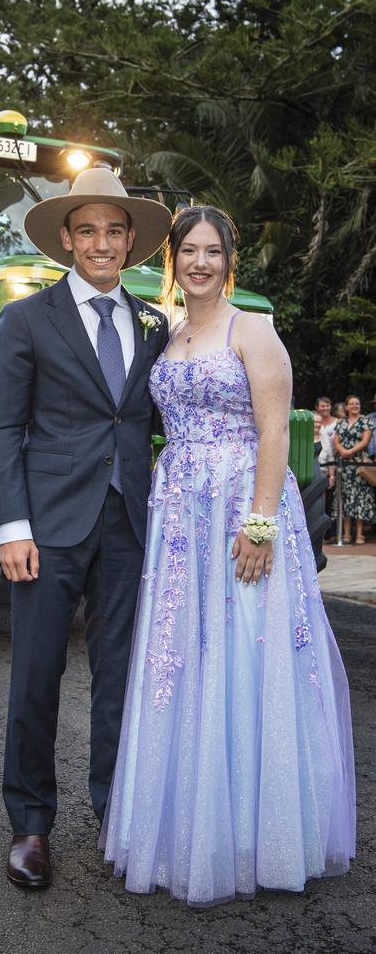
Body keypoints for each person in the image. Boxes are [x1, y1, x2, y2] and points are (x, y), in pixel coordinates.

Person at [101, 205, 355, 906]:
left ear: (229, 261)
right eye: (190, 251)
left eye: (214, 251)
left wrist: (262, 526)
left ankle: (259, 834)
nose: (202, 263)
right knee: (181, 658)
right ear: (173, 260)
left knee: (247, 653)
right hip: (179, 514)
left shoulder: (255, 331)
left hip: (242, 507)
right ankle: (187, 824)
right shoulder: (170, 332)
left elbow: (275, 434)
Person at [0, 168, 172, 888]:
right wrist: (12, 526)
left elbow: (159, 422)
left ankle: (115, 815)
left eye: (114, 230)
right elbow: (3, 428)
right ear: (66, 239)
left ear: (131, 242)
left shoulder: (153, 322)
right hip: (49, 525)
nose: (101, 242)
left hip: (129, 522)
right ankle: (30, 825)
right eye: (87, 229)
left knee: (122, 679)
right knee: (36, 674)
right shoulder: (26, 319)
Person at [333, 395, 375, 544]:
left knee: (360, 498)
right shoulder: (341, 422)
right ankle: (345, 533)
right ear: (346, 407)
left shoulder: (366, 421)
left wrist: (349, 452)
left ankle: (359, 534)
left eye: (357, 403)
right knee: (344, 498)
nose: (355, 406)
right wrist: (342, 451)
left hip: (358, 464)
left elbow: (365, 441)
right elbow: (336, 440)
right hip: (343, 466)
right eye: (351, 404)